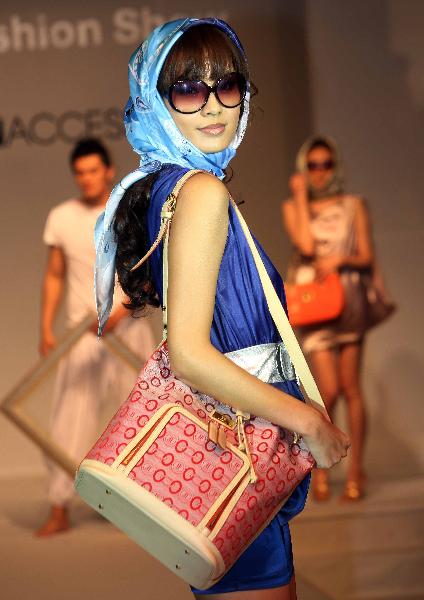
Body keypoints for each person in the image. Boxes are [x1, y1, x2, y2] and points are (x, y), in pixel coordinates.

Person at [95, 20, 350, 600]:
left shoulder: (169, 187)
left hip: (223, 449)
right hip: (236, 453)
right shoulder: (202, 193)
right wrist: (308, 420)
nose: (213, 106)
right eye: (188, 90)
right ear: (155, 103)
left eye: (228, 85)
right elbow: (188, 354)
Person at [36, 138, 158, 537]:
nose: (86, 178)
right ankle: (59, 506)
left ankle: (144, 507)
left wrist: (123, 309)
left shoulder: (129, 210)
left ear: (108, 170)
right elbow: (54, 274)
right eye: (80, 172)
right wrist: (45, 329)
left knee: (140, 419)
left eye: (93, 170)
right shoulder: (61, 216)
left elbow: (147, 268)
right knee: (68, 419)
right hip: (81, 336)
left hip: (129, 329)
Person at [282, 136, 374, 503]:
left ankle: (356, 470)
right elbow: (305, 245)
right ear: (305, 169)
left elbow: (365, 255)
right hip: (316, 302)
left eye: (327, 165)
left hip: (348, 298)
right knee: (329, 389)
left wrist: (340, 261)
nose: (320, 172)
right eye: (313, 165)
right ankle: (321, 463)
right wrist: (302, 196)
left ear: (336, 166)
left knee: (352, 388)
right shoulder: (294, 206)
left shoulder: (353, 206)